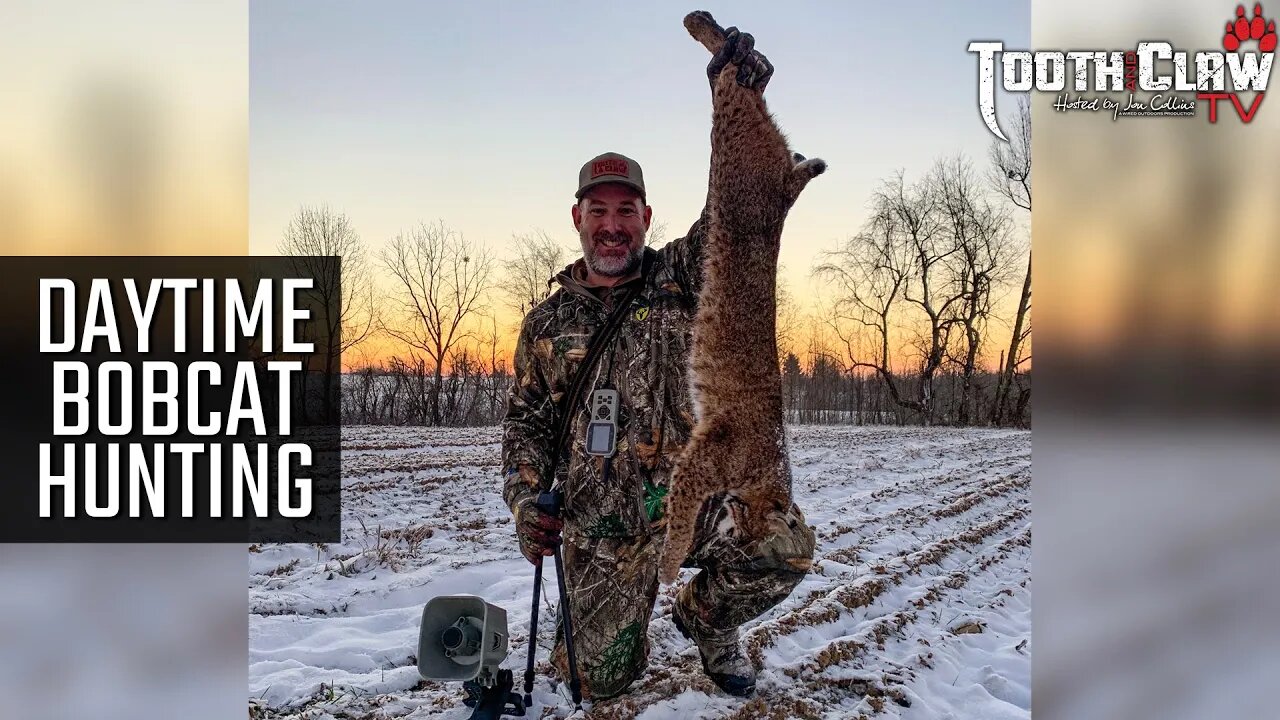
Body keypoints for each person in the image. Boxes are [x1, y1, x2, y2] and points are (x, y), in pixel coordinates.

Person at [501, 28, 815, 701]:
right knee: (595, 682)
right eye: (598, 212)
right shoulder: (546, 325)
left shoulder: (680, 273)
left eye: (625, 213)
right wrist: (527, 503)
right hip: (599, 523)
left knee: (782, 546)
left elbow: (736, 213)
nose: (612, 227)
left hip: (687, 502)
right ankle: (595, 614)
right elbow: (523, 430)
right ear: (578, 218)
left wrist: (734, 102)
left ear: (645, 217)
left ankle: (707, 621)